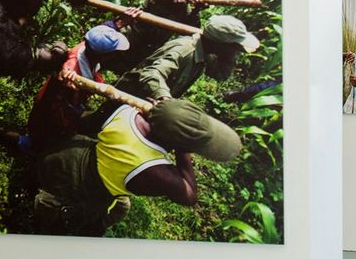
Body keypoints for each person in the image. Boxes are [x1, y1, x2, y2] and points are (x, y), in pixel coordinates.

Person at [33, 99, 242, 236]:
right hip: (79, 190)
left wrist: (165, 113)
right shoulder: (153, 170)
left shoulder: (124, 112)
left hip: (68, 154)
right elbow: (190, 196)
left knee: (121, 205)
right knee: (68, 226)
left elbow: (86, 123)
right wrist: (182, 151)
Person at [9, 25, 131, 153]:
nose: (116, 55)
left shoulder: (86, 47)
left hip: (59, 105)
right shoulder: (72, 71)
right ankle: (23, 143)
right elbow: (59, 93)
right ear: (103, 56)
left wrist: (116, 24)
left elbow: (100, 34)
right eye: (114, 53)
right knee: (43, 139)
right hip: (52, 110)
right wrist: (69, 80)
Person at [108, 15, 259, 104]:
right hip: (128, 98)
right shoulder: (184, 50)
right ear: (219, 43)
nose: (235, 51)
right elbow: (151, 73)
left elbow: (220, 75)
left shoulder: (208, 52)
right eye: (233, 47)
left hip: (146, 101)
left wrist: (229, 55)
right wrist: (165, 99)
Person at [102, 0, 214, 73]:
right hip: (129, 43)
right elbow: (150, 30)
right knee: (102, 67)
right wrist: (179, 9)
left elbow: (188, 32)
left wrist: (196, 9)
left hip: (140, 49)